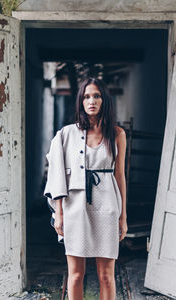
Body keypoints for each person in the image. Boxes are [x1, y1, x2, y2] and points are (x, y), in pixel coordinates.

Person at [44, 77, 128, 300]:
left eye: (97, 96)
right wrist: (59, 213)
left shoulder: (118, 134)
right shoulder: (66, 134)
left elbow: (120, 176)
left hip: (107, 206)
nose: (91, 101)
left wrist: (123, 217)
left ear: (104, 100)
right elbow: (57, 175)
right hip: (75, 208)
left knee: (106, 276)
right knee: (76, 274)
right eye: (86, 96)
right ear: (81, 101)